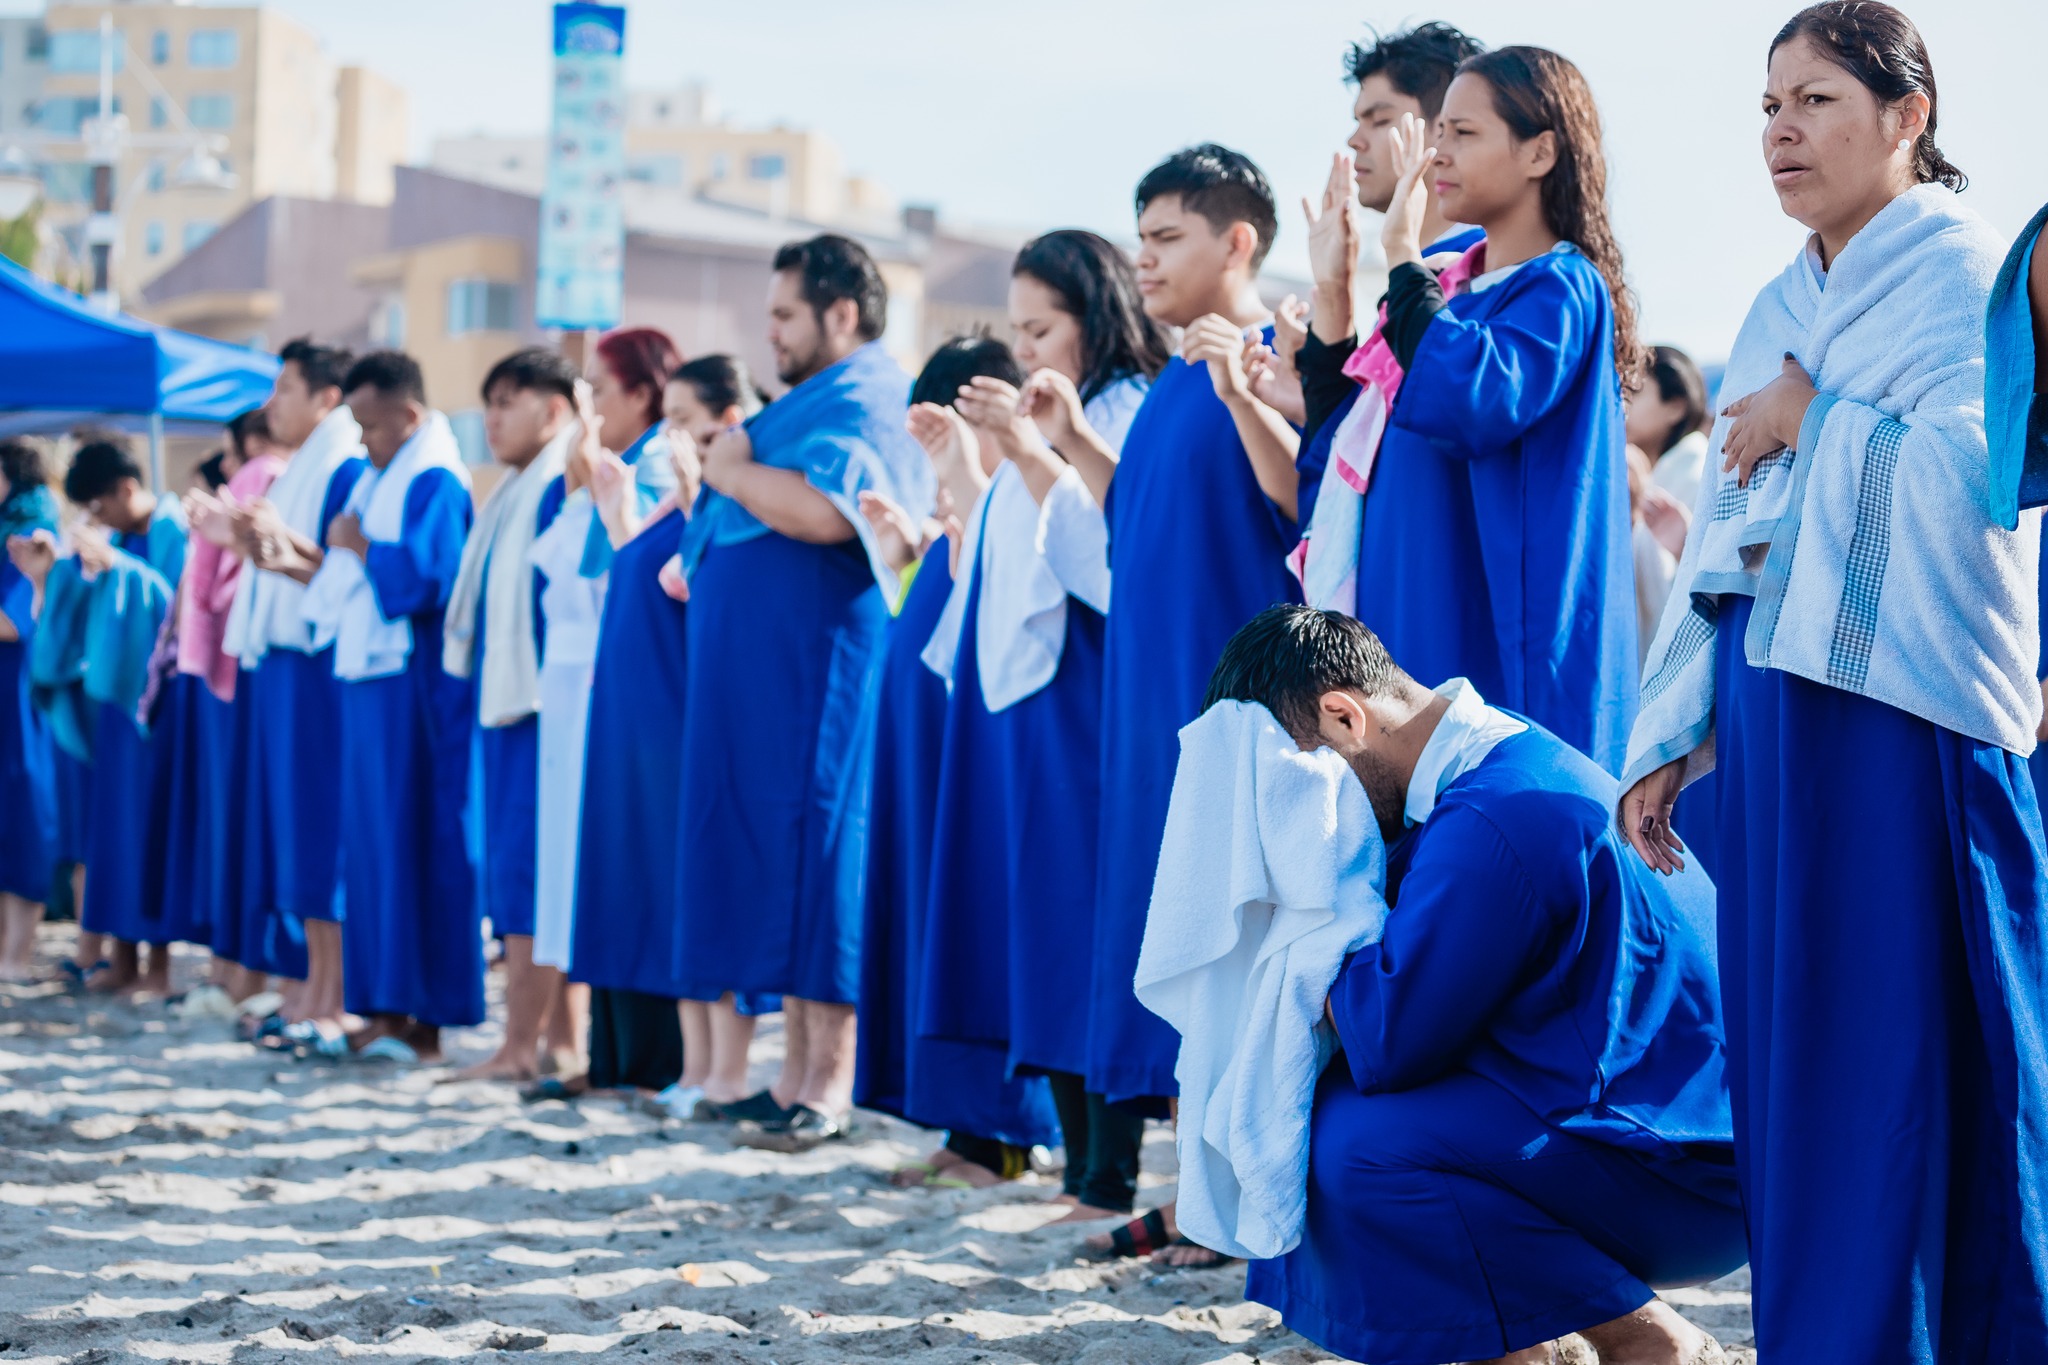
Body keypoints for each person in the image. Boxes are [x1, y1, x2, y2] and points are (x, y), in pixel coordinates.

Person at [1623, 6, 2048, 1359]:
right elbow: (1720, 533)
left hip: (1900, 727)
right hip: (1773, 724)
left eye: (1812, 100)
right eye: (1767, 106)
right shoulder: (1775, 303)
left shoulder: (1961, 278)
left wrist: (1818, 422)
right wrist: (1671, 731)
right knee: (1796, 1058)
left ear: (1908, 113)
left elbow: (1980, 498)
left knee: (1902, 1064)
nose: (1780, 132)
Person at [1210, 605, 1744, 1365]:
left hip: (1682, 1170)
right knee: (1341, 1122)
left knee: (1344, 1147)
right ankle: (1531, 1340)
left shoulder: (1493, 815)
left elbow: (1388, 1041)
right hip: (1673, 1130)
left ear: (1342, 716)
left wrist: (1301, 923)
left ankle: (1651, 1341)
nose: (1295, 817)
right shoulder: (1499, 757)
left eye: (1290, 787)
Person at [1306, 46, 1640, 778]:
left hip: (1494, 660)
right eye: (1438, 131)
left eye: (1461, 132)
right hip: (1404, 634)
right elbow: (1340, 465)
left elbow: (1472, 398)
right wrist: (1334, 291)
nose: (1437, 151)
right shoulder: (1445, 294)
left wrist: (1400, 253)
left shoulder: (1561, 286)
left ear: (1540, 151)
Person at [925, 232, 1171, 1213]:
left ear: (1094, 318)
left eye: (1042, 328)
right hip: (1033, 701)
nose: (1025, 351)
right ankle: (1078, 1164)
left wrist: (1035, 449)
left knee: (1089, 922)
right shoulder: (1056, 411)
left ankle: (1105, 1171)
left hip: (1093, 692)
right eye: (1017, 330)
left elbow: (1116, 559)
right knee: (1044, 923)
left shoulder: (1124, 412)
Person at [670, 234, 934, 1150]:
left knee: (825, 853)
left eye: (784, 313)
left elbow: (833, 513)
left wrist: (733, 471)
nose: (770, 333)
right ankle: (789, 1074)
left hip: (821, 669)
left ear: (842, 314)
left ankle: (825, 1084)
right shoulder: (812, 400)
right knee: (782, 860)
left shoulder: (867, 396)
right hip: (770, 677)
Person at [1085, 146, 1300, 1242]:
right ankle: (1186, 1194)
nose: (1145, 261)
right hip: (1145, 702)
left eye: (1165, 238)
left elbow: (1300, 498)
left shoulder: (1279, 351)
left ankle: (1232, 1196)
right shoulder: (1170, 383)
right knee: (1166, 935)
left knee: (1241, 944)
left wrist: (1243, 384)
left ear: (1237, 241)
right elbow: (1133, 525)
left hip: (1243, 705)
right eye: (1140, 241)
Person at [852, 335, 1063, 1191]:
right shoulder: (955, 515)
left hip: (972, 745)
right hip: (922, 746)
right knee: (932, 923)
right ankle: (961, 1126)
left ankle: (1002, 1133)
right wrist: (906, 555)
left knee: (976, 919)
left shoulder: (1007, 494)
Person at [561, 355, 765, 1108]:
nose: (669, 436)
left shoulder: (729, 500)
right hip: (639, 724)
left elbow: (701, 589)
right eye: (669, 419)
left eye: (683, 420)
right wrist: (622, 509)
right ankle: (693, 1071)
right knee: (667, 898)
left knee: (702, 895)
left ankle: (723, 1072)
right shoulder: (675, 500)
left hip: (691, 725)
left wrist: (695, 491)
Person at [298, 351, 477, 1065]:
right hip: (369, 680)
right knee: (371, 848)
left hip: (414, 691)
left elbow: (431, 578)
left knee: (413, 844)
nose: (362, 442)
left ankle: (422, 1019)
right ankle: (380, 1005)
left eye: (371, 427)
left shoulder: (436, 477)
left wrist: (363, 543)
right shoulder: (379, 475)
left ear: (408, 416)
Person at [227, 339, 368, 1042]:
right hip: (284, 660)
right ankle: (310, 985)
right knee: (296, 832)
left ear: (326, 398)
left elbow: (341, 572)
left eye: (285, 388)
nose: (272, 404)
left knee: (321, 828)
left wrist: (278, 548)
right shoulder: (302, 468)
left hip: (320, 660)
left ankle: (331, 991)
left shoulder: (343, 462)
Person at [445, 349, 574, 1082]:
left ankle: (522, 1044)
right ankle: (554, 1041)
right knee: (525, 874)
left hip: (539, 706)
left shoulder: (558, 479)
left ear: (553, 409)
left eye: (507, 402)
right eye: (487, 403)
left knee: (530, 877)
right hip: (510, 703)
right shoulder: (516, 487)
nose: (491, 418)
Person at [23, 437, 189, 995]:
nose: (95, 520)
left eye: (98, 506)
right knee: (114, 836)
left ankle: (159, 968)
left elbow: (176, 610)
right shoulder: (117, 536)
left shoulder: (172, 531)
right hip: (116, 712)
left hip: (160, 708)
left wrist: (118, 564)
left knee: (152, 832)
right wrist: (49, 576)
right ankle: (118, 961)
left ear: (125, 489)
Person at [170, 409, 293, 1016]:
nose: (224, 464)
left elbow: (224, 576)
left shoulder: (265, 475)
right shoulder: (277, 474)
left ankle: (241, 972)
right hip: (238, 660)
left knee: (242, 826)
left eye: (228, 449)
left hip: (240, 662)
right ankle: (231, 969)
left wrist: (221, 535)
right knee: (238, 826)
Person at [0, 437, 59, 981]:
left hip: (19, 695)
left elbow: (16, 623)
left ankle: (17, 955)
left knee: (23, 815)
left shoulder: (31, 531)